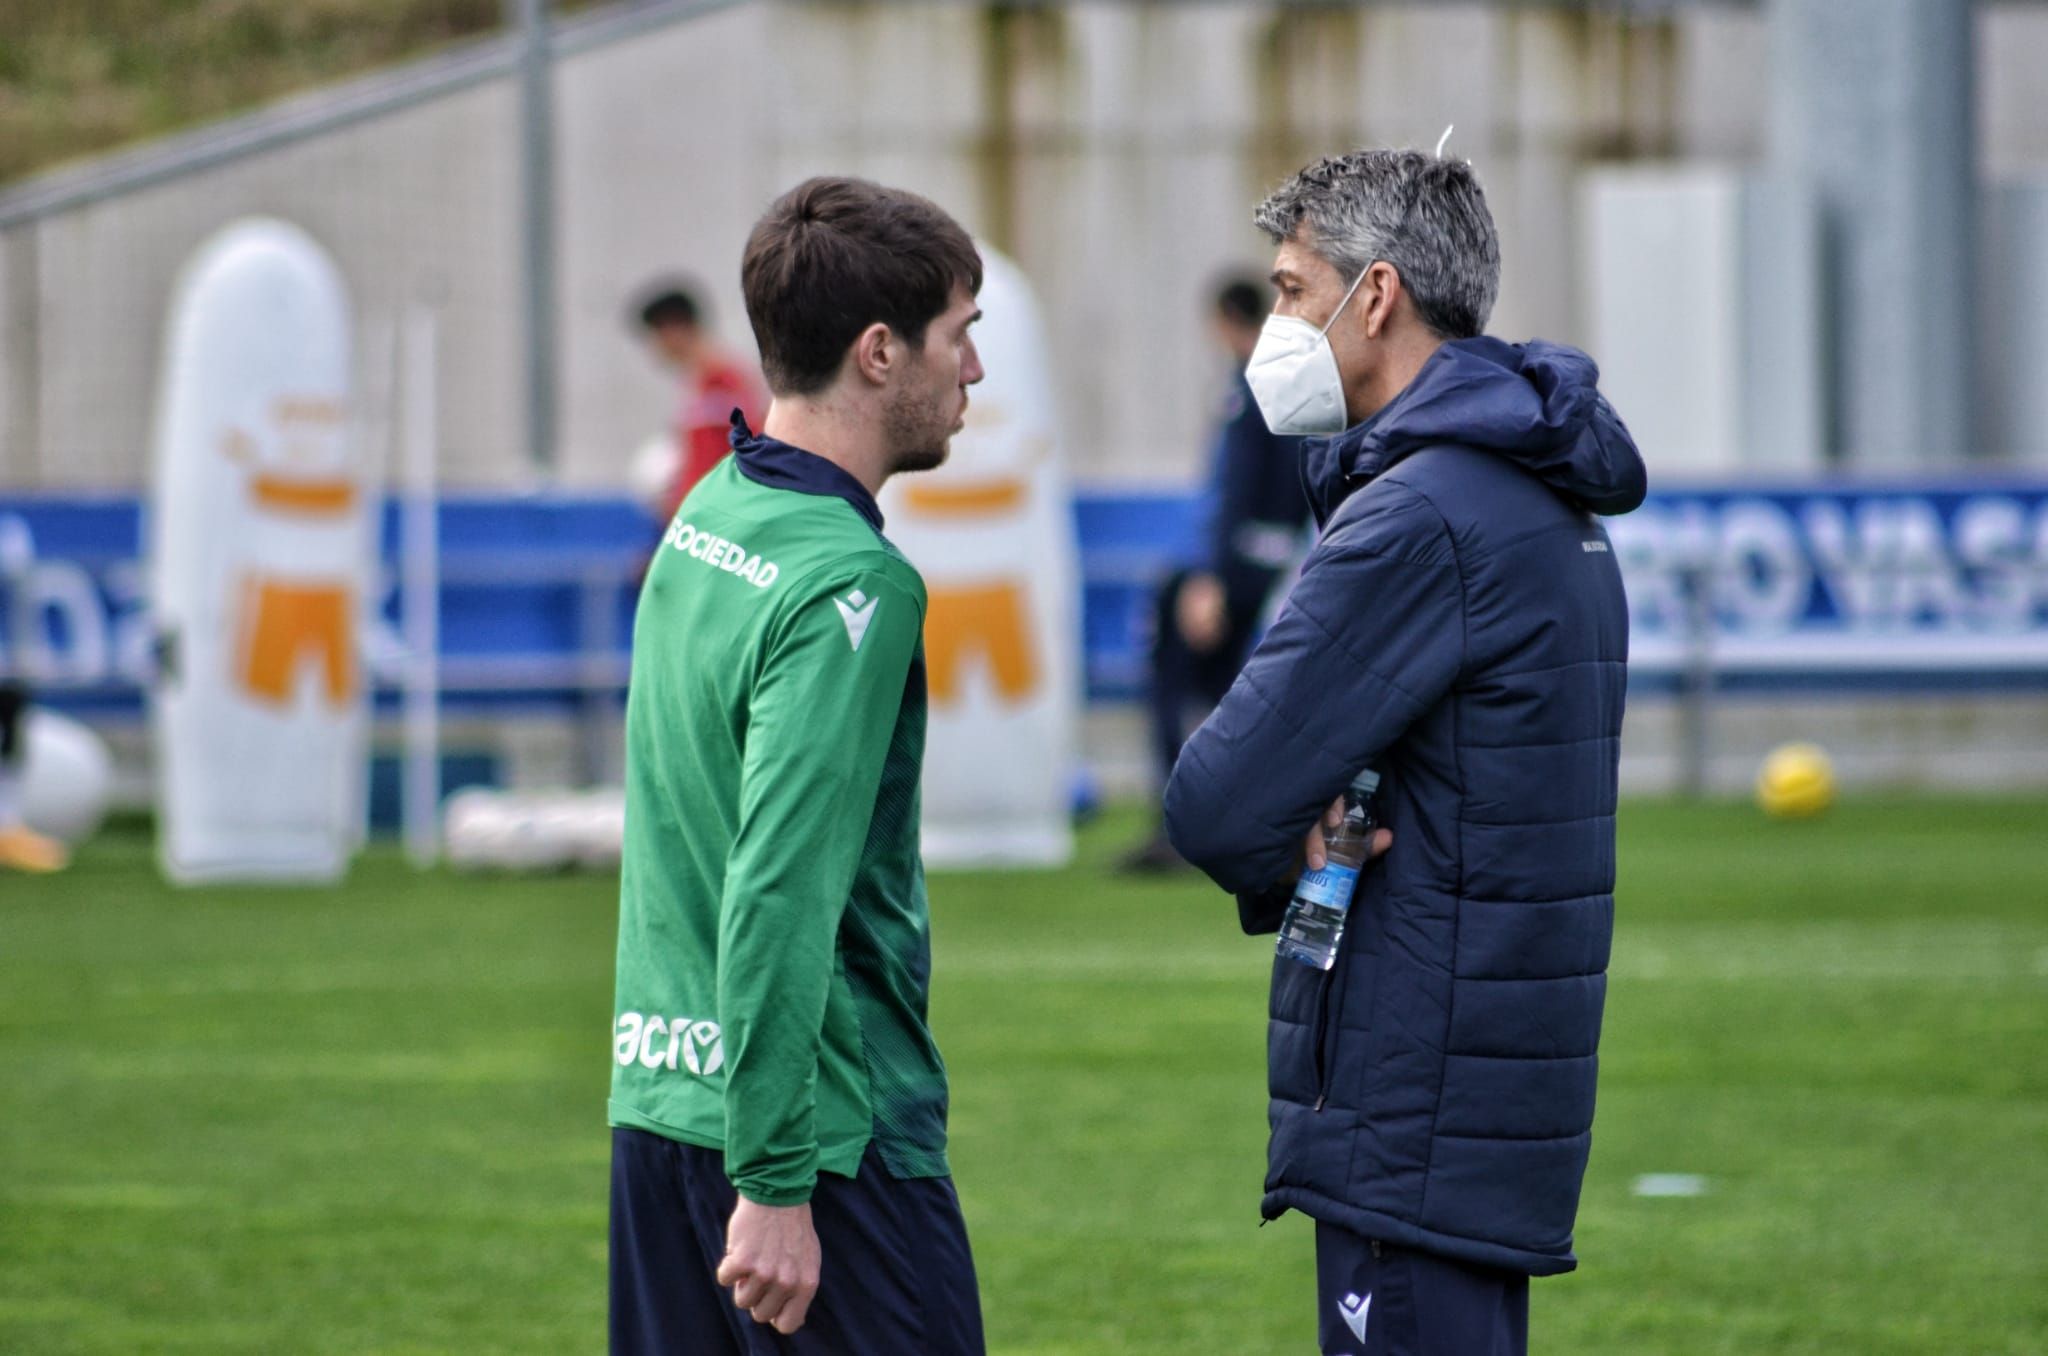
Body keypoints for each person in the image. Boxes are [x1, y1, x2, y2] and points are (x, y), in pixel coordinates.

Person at [1163, 148, 1647, 1355]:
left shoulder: (1424, 511)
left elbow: (1217, 802)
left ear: (1372, 297)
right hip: (1484, 1088)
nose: (1273, 323)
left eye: (1287, 289)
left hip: (1415, 1096)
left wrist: (1296, 834)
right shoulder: (1533, 487)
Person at [608, 176, 987, 1356]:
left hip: (660, 1107)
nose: (971, 372)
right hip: (816, 1141)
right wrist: (774, 1181)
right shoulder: (850, 584)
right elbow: (775, 888)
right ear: (879, 354)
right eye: (958, 338)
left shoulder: (710, 511)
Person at [1121, 276, 1311, 872]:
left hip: (1237, 570)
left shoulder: (1248, 386)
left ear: (1226, 321)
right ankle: (1236, 820)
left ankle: (1179, 825)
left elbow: (1233, 491)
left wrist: (1208, 577)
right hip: (1275, 566)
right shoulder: (1295, 382)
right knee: (1234, 696)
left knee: (1173, 680)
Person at [631, 279, 767, 521]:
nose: (655, 347)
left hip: (714, 518)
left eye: (657, 336)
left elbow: (736, 452)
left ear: (674, 329)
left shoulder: (721, 382)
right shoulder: (699, 382)